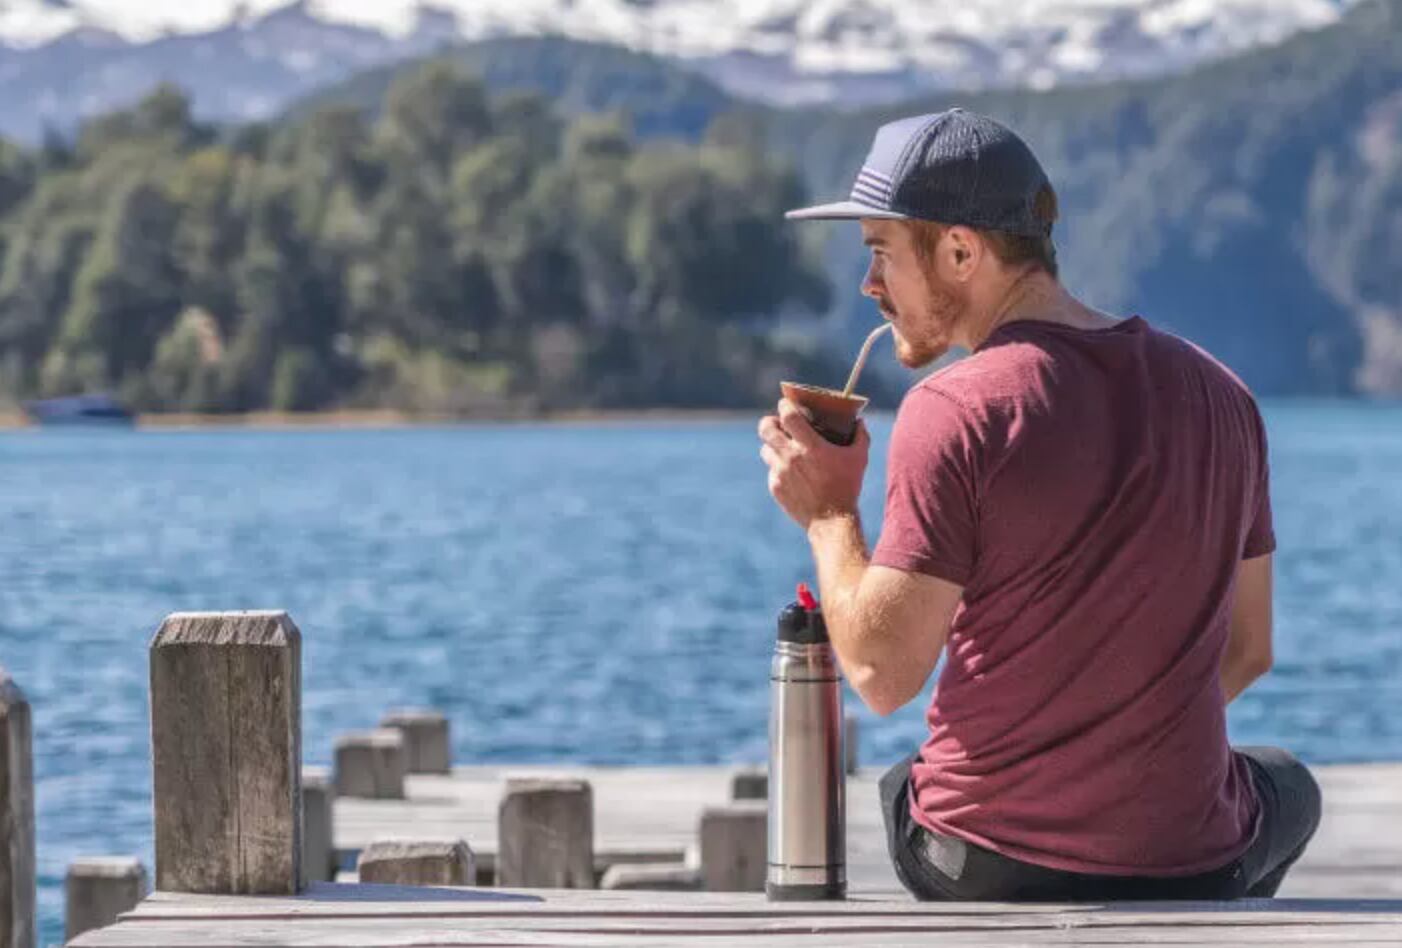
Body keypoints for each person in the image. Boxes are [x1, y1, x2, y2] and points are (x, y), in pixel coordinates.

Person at [758, 108, 1321, 901]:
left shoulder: (953, 410)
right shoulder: (1223, 395)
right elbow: (1248, 647)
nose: (869, 285)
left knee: (901, 785)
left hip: (986, 862)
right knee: (1288, 787)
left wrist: (827, 515)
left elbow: (883, 672)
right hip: (1193, 857)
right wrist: (1121, 740)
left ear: (961, 250)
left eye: (882, 253)